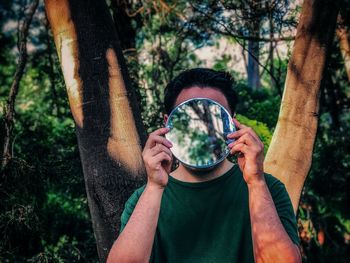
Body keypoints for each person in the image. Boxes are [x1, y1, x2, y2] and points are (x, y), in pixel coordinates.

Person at [107, 68, 301, 263]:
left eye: (213, 116)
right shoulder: (143, 199)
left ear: (232, 121)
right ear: (168, 123)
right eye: (189, 118)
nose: (201, 129)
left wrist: (256, 182)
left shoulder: (269, 189)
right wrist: (154, 187)